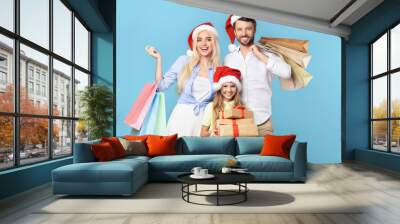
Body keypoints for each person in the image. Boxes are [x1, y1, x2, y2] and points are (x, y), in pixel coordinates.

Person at [146, 22, 221, 137]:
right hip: (182, 119)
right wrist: (158, 59)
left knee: (203, 154)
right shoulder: (184, 61)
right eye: (199, 40)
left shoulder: (219, 69)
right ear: (194, 43)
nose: (204, 44)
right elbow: (160, 86)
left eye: (208, 39)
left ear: (214, 42)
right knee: (178, 152)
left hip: (205, 123)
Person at [224, 15, 291, 136]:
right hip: (236, 122)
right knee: (234, 156)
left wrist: (260, 56)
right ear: (234, 31)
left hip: (263, 122)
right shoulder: (229, 59)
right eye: (239, 29)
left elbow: (286, 73)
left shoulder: (267, 54)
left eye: (248, 29)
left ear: (254, 29)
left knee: (263, 155)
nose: (244, 33)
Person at [200, 66, 244, 137]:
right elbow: (202, 133)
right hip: (217, 145)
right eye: (225, 86)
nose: (229, 90)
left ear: (237, 88)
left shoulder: (241, 108)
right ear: (220, 88)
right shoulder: (212, 106)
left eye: (232, 86)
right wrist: (211, 133)